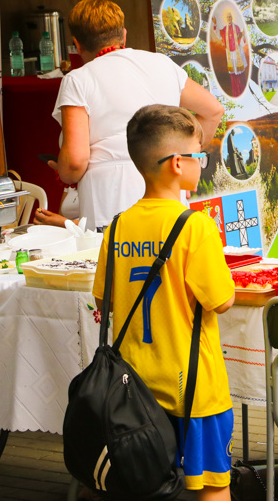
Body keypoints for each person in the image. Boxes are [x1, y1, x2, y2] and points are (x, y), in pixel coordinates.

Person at [92, 104, 236, 498]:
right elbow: (221, 301)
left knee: (146, 484)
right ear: (177, 164)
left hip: (134, 392)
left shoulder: (118, 226)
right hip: (193, 391)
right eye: (199, 154)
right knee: (212, 489)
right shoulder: (195, 227)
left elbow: (104, 302)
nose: (202, 163)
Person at [41, 0, 224, 232]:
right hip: (165, 192)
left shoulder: (78, 79)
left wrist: (63, 172)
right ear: (124, 35)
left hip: (109, 201)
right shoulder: (162, 64)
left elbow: (75, 162)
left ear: (77, 45)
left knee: (117, 266)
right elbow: (213, 111)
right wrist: (184, 154)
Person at [211, 10, 248, 97]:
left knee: (240, 73)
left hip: (237, 52)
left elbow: (242, 38)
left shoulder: (237, 27)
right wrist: (215, 24)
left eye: (230, 16)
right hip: (230, 54)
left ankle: (242, 90)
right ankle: (235, 90)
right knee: (233, 74)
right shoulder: (225, 29)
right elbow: (218, 34)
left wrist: (242, 35)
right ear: (226, 19)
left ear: (232, 17)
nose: (229, 18)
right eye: (227, 17)